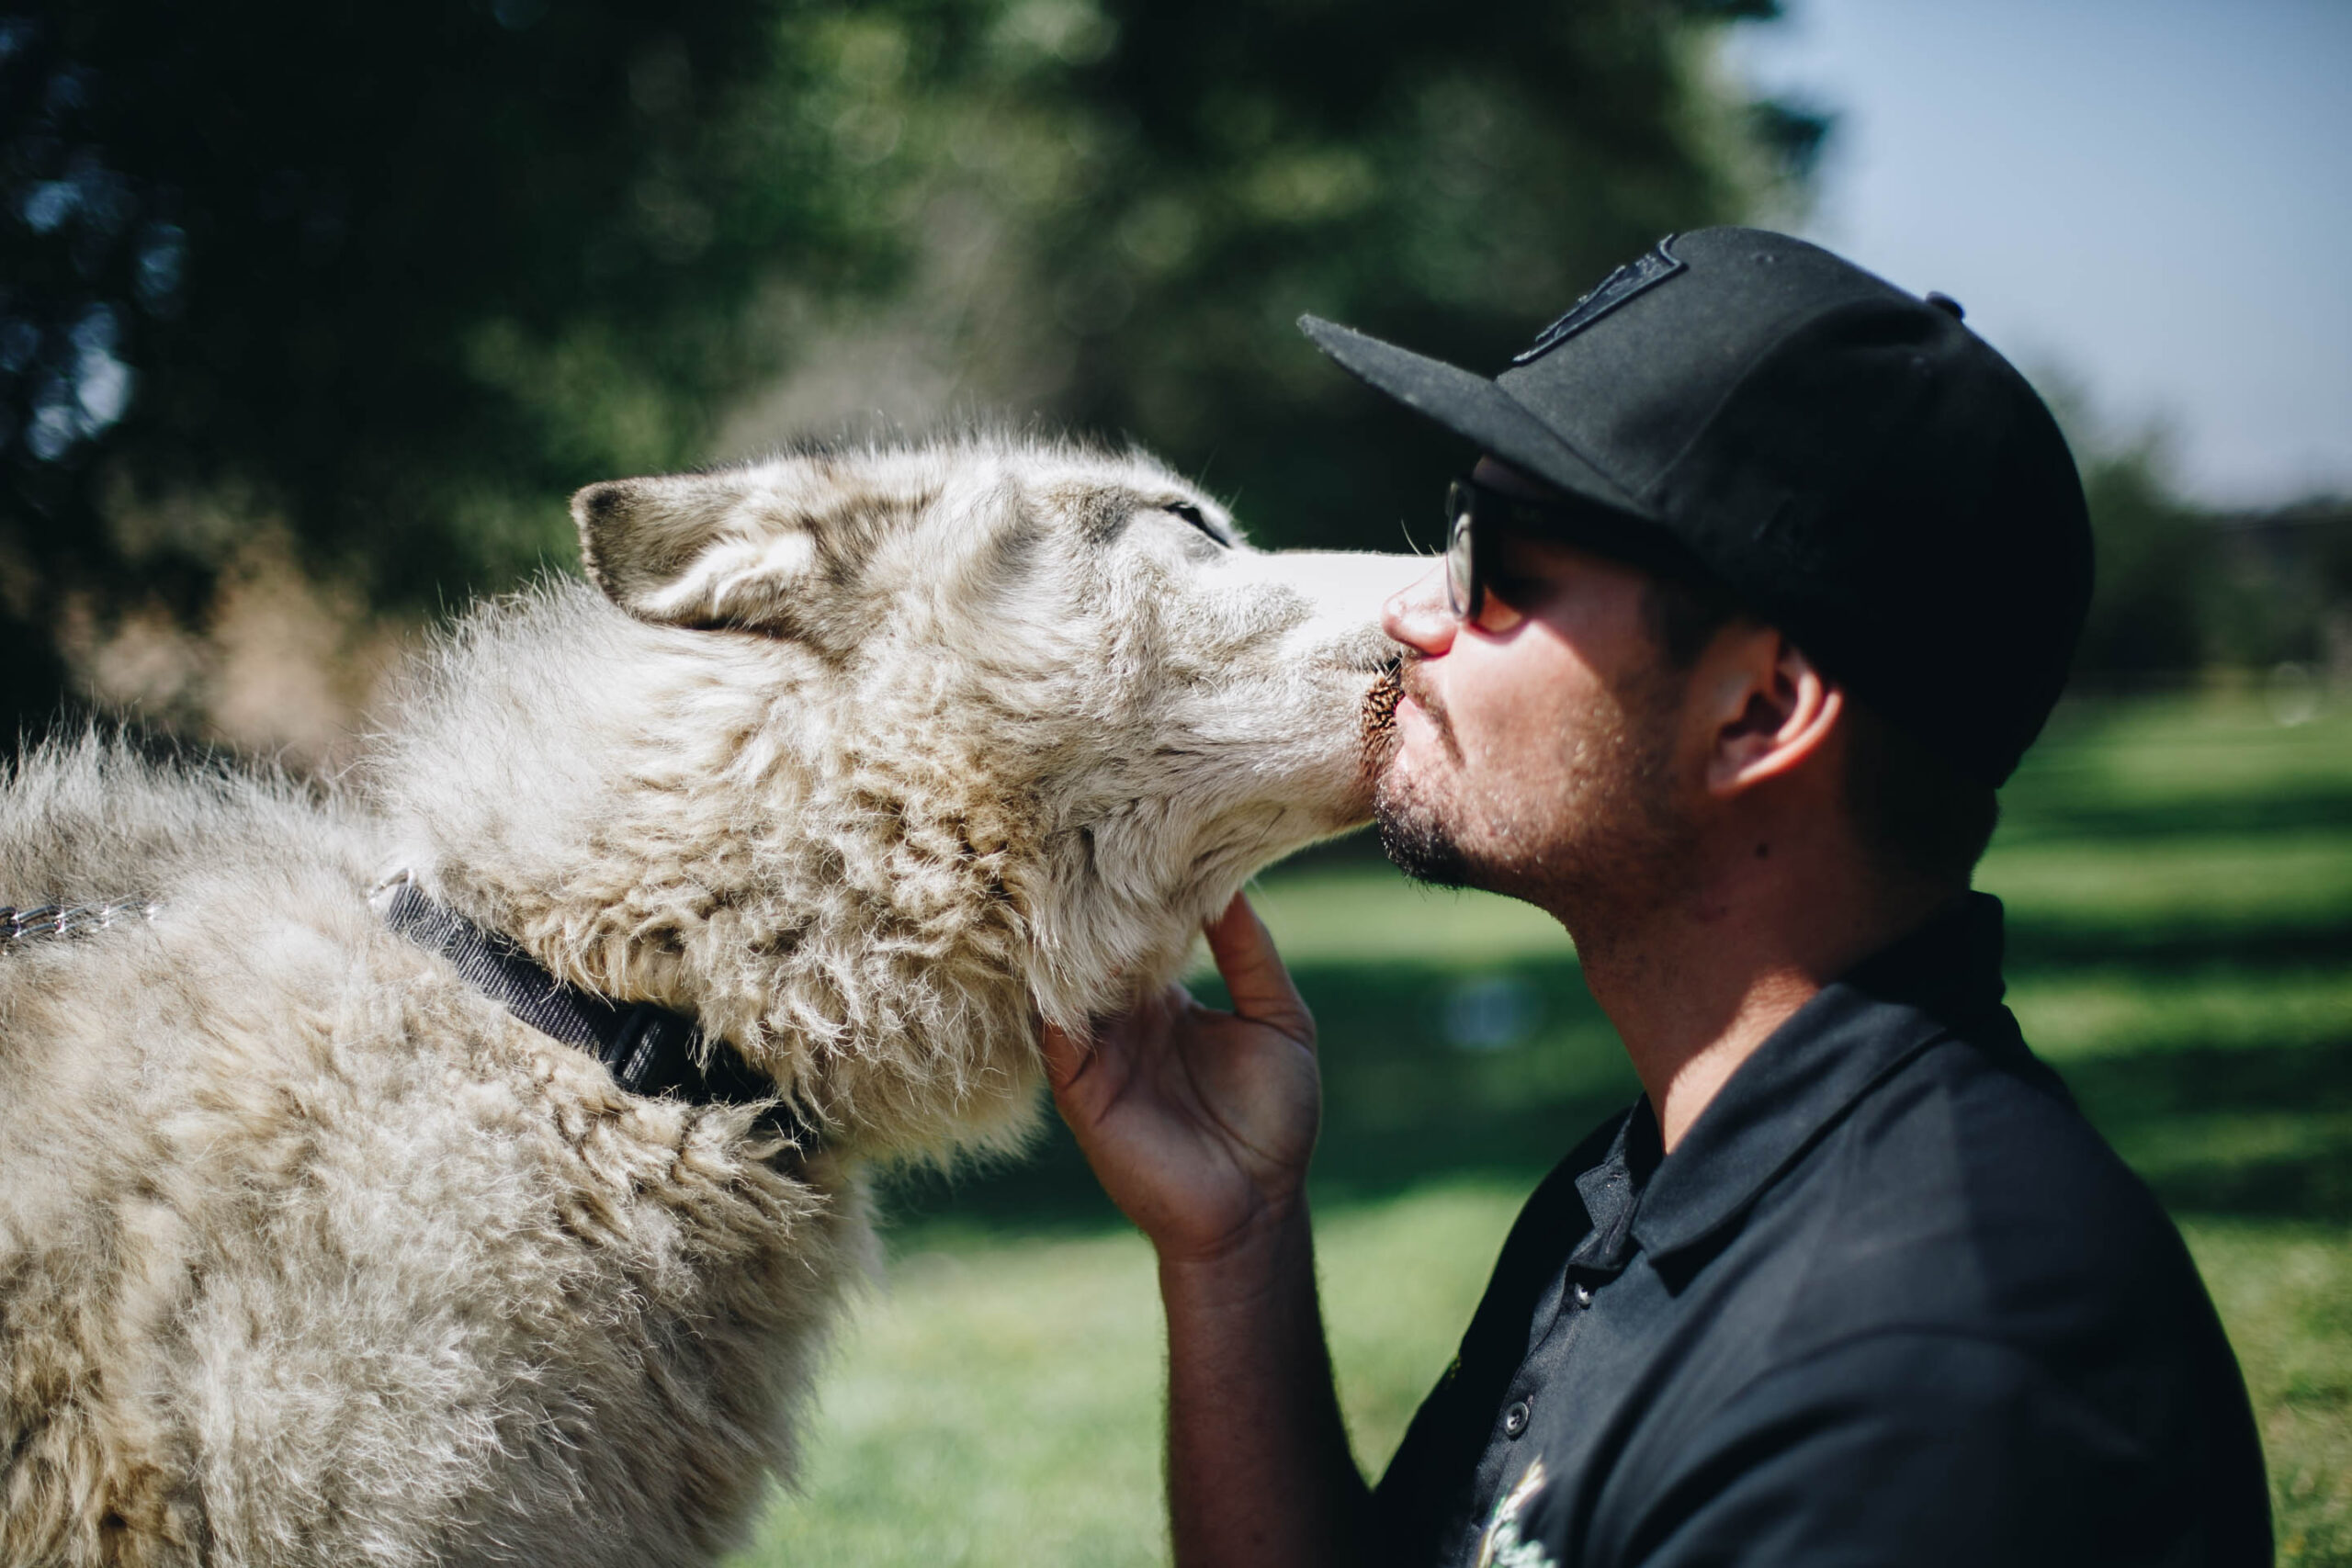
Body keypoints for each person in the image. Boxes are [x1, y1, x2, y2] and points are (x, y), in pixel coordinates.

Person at [1039, 227, 2272, 1567]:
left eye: (1495, 555)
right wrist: (1237, 1246)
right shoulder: (1656, 1182)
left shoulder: (1928, 1395)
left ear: (1759, 711)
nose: (1413, 615)